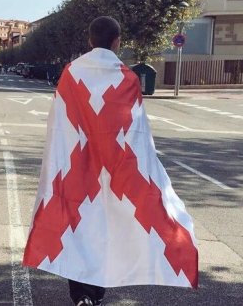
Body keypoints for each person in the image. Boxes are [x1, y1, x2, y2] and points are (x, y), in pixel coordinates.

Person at [22, 16, 198, 306]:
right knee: (106, 225)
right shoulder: (127, 78)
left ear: (90, 40)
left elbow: (60, 125)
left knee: (78, 227)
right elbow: (137, 133)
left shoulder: (70, 73)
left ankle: (82, 295)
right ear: (117, 42)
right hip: (117, 172)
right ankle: (96, 293)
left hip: (77, 169)